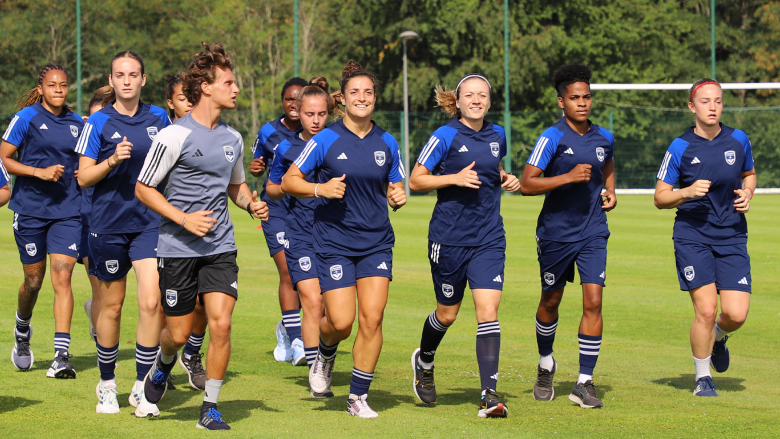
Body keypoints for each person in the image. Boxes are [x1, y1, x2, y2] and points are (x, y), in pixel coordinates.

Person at [135, 42, 268, 431]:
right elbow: (144, 188)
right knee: (177, 333)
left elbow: (237, 187)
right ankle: (161, 367)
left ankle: (209, 406)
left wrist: (250, 205)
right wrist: (183, 218)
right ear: (206, 87)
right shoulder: (173, 136)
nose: (236, 88)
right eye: (229, 82)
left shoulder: (232, 139)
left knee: (221, 324)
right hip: (176, 248)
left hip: (220, 247)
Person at [282, 61, 407, 418]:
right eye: (355, 92)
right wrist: (320, 188)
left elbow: (394, 184)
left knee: (372, 318)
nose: (362, 98)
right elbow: (291, 181)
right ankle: (324, 352)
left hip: (377, 243)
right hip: (334, 242)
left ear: (375, 98)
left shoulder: (388, 140)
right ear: (344, 99)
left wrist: (397, 196)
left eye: (368, 92)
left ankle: (357, 397)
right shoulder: (325, 140)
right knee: (341, 322)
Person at [409, 74, 520, 418]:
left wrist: (505, 177)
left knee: (488, 311)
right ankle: (424, 359)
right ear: (456, 102)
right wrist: (453, 178)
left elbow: (493, 167)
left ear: (489, 100)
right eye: (469, 95)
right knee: (448, 313)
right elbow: (416, 179)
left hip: (488, 238)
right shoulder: (444, 136)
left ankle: (489, 393)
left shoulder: (498, 134)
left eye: (482, 95)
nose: (476, 100)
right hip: (449, 240)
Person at [76, 50, 170, 416]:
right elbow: (83, 177)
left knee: (151, 302)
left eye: (133, 74)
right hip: (107, 225)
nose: (127, 80)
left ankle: (141, 388)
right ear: (111, 80)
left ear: (143, 80)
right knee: (111, 308)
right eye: (120, 75)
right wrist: (112, 160)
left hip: (148, 223)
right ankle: (107, 385)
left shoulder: (160, 118)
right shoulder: (97, 123)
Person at [519, 63, 616, 409]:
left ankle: (584, 382)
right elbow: (527, 184)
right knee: (551, 301)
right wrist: (567, 177)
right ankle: (546, 364)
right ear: (561, 102)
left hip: (593, 232)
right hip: (556, 235)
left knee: (594, 301)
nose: (582, 103)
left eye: (587, 96)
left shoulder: (604, 136)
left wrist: (610, 190)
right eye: (575, 98)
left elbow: (607, 165)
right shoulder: (551, 137)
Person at [654, 78, 755, 397]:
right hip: (692, 236)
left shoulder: (739, 140)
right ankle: (702, 378)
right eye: (705, 101)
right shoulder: (679, 147)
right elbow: (660, 197)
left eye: (718, 101)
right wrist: (685, 192)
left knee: (736, 314)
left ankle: (719, 338)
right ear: (692, 107)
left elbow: (749, 174)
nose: (713, 107)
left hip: (732, 235)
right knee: (707, 309)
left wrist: (748, 193)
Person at [1, 63, 84, 379]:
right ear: (41, 88)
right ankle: (23, 329)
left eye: (63, 85)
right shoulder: (26, 118)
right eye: (52, 85)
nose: (59, 90)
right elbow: (4, 156)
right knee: (33, 282)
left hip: (68, 212)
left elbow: (84, 160)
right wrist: (38, 172)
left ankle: (61, 356)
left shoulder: (77, 123)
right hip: (31, 211)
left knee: (62, 278)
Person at [266, 76, 335, 392]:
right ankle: (315, 372)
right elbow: (272, 187)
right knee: (310, 300)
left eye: (321, 114)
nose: (316, 120)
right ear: (298, 111)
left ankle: (323, 355)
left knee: (330, 310)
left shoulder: (337, 142)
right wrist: (286, 189)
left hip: (335, 235)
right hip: (300, 235)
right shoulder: (286, 147)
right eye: (310, 114)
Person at [250, 77, 309, 365]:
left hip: (310, 210)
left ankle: (289, 328)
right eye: (289, 99)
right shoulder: (267, 131)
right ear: (283, 101)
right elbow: (259, 167)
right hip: (277, 209)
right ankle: (297, 339)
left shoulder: (319, 131)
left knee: (308, 275)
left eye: (299, 99)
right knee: (288, 271)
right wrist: (256, 167)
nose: (294, 104)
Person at [165, 73, 208, 391]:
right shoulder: (161, 132)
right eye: (183, 99)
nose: (190, 104)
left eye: (193, 98)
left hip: (207, 236)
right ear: (170, 103)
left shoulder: (214, 134)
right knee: (155, 306)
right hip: (161, 232)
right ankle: (152, 367)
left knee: (207, 303)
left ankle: (192, 354)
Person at [82, 85, 113, 344]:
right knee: (99, 288)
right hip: (87, 219)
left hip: (124, 219)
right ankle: (102, 342)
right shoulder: (82, 137)